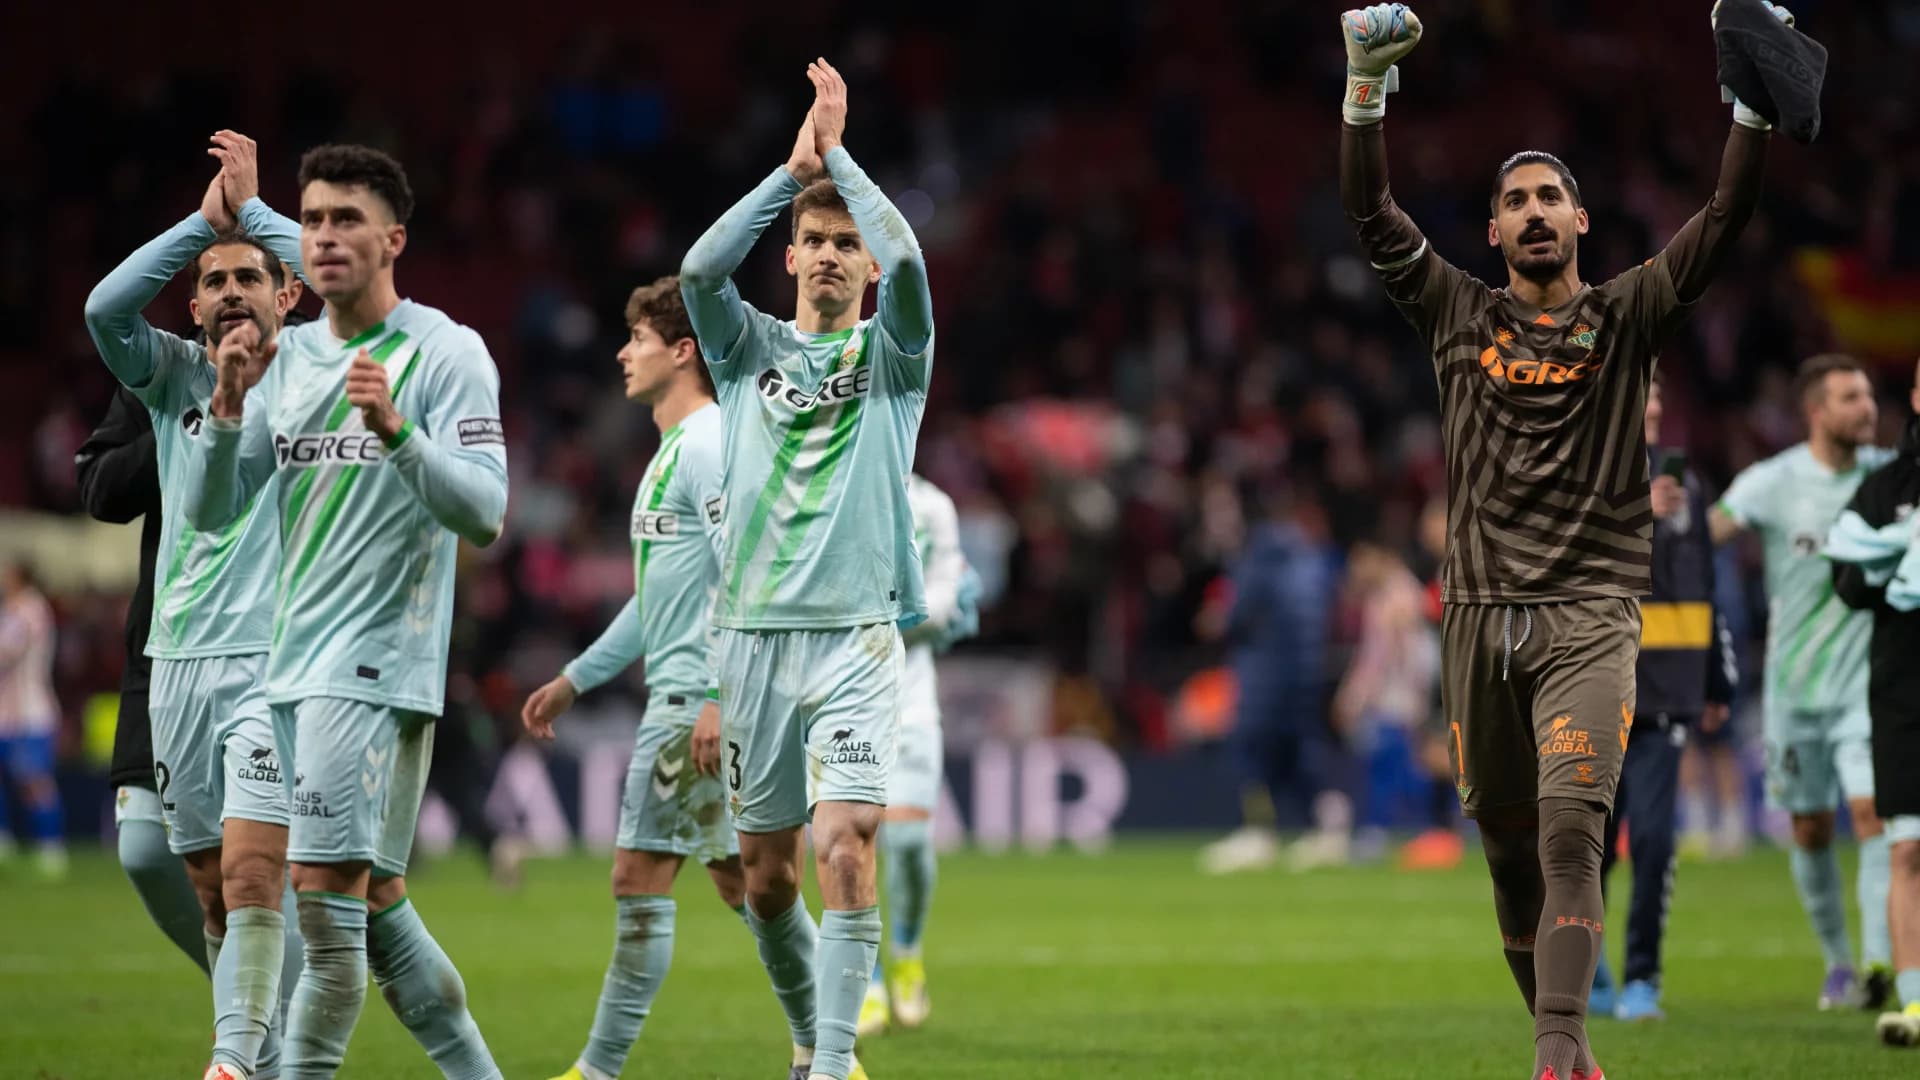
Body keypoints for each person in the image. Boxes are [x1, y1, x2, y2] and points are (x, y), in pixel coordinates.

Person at [1338, 3, 1780, 1076]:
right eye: (1515, 202)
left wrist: (1751, 114)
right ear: (1492, 232)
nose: (1535, 213)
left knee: (1574, 832)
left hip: (1590, 615)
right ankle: (1565, 1039)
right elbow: (1372, 212)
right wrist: (1363, 89)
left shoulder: (1629, 316)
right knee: (1505, 846)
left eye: (1551, 198)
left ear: (1583, 222)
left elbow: (1721, 221)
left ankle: (1556, 1046)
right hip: (1479, 620)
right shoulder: (1456, 314)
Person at [183, 141, 505, 1079]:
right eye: (312, 219)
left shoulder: (444, 354)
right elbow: (209, 515)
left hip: (371, 672)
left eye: (345, 220)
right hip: (286, 671)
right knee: (376, 909)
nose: (323, 236)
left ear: (392, 239)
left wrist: (398, 434)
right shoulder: (283, 360)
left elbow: (484, 511)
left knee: (324, 923)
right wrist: (230, 404)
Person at [680, 57, 930, 1080]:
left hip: (856, 638)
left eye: (846, 245)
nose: (832, 254)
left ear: (864, 268)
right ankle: (806, 1035)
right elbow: (698, 273)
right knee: (766, 878)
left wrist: (842, 157)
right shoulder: (746, 353)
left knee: (845, 847)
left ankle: (833, 1064)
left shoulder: (892, 359)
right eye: (815, 242)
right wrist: (792, 174)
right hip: (750, 641)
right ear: (789, 259)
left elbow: (913, 263)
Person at [82, 130, 307, 1080]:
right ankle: (263, 1047)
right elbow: (103, 306)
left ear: (285, 294)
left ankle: (234, 1063)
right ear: (193, 302)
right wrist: (203, 225)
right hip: (174, 664)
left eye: (248, 278)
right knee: (210, 890)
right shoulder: (169, 370)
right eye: (212, 282)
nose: (227, 294)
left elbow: (368, 287)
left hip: (274, 663)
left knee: (255, 876)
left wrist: (255, 215)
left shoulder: (315, 371)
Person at [519, 276, 749, 1080]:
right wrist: (576, 679)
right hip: (692, 698)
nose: (623, 352)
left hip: (697, 703)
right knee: (751, 888)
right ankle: (833, 1049)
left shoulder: (713, 443)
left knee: (640, 876)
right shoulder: (670, 454)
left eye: (638, 339)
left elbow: (741, 574)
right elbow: (663, 601)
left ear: (682, 351)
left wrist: (720, 694)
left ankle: (595, 1071)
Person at [1710, 353, 1895, 1010]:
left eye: (1869, 395)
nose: (1866, 408)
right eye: (1850, 397)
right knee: (1812, 830)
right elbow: (1707, 533)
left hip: (1866, 690)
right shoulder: (1773, 481)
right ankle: (1839, 963)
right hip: (1794, 692)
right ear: (1816, 411)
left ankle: (1879, 959)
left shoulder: (1892, 477)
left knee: (1874, 815)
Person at [1589, 374, 1737, 1022]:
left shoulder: (1689, 489)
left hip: (1664, 696)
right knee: (1583, 848)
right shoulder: (1582, 477)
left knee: (1652, 842)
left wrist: (1713, 681)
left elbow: (1704, 586)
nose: (1649, 403)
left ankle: (1643, 977)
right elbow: (1562, 564)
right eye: (1637, 392)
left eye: (1653, 392)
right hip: (1590, 689)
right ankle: (1585, 972)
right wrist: (1633, 511)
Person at [858, 473, 980, 1036]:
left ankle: (906, 954)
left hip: (910, 700)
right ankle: (866, 981)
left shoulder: (933, 505)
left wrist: (854, 614)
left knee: (905, 842)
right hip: (840, 699)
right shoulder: (829, 483)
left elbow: (942, 608)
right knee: (845, 847)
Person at [1825, 355, 1920, 1046]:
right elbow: (1848, 579)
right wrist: (1896, 558)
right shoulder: (1887, 489)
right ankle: (1915, 1005)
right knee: (1908, 850)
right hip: (1904, 690)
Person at [1196, 483, 1343, 874]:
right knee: (1297, 751)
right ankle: (1325, 829)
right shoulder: (1310, 557)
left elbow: (1236, 614)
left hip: (1266, 671)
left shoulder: (1259, 557)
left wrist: (1217, 618)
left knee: (1250, 749)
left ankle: (1258, 833)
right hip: (1305, 672)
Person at [1330, 539, 1438, 861]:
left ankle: (1409, 831)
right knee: (1393, 763)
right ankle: (1411, 830)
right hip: (1395, 694)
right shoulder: (1392, 593)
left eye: (1361, 562)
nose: (1356, 571)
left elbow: (1386, 655)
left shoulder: (1398, 594)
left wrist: (1355, 698)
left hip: (1396, 695)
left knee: (1394, 764)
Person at [0, 561, 63, 879]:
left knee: (34, 781)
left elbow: (6, 651)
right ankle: (5, 839)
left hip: (30, 711)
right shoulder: (15, 608)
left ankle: (50, 845)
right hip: (7, 713)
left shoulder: (29, 608)